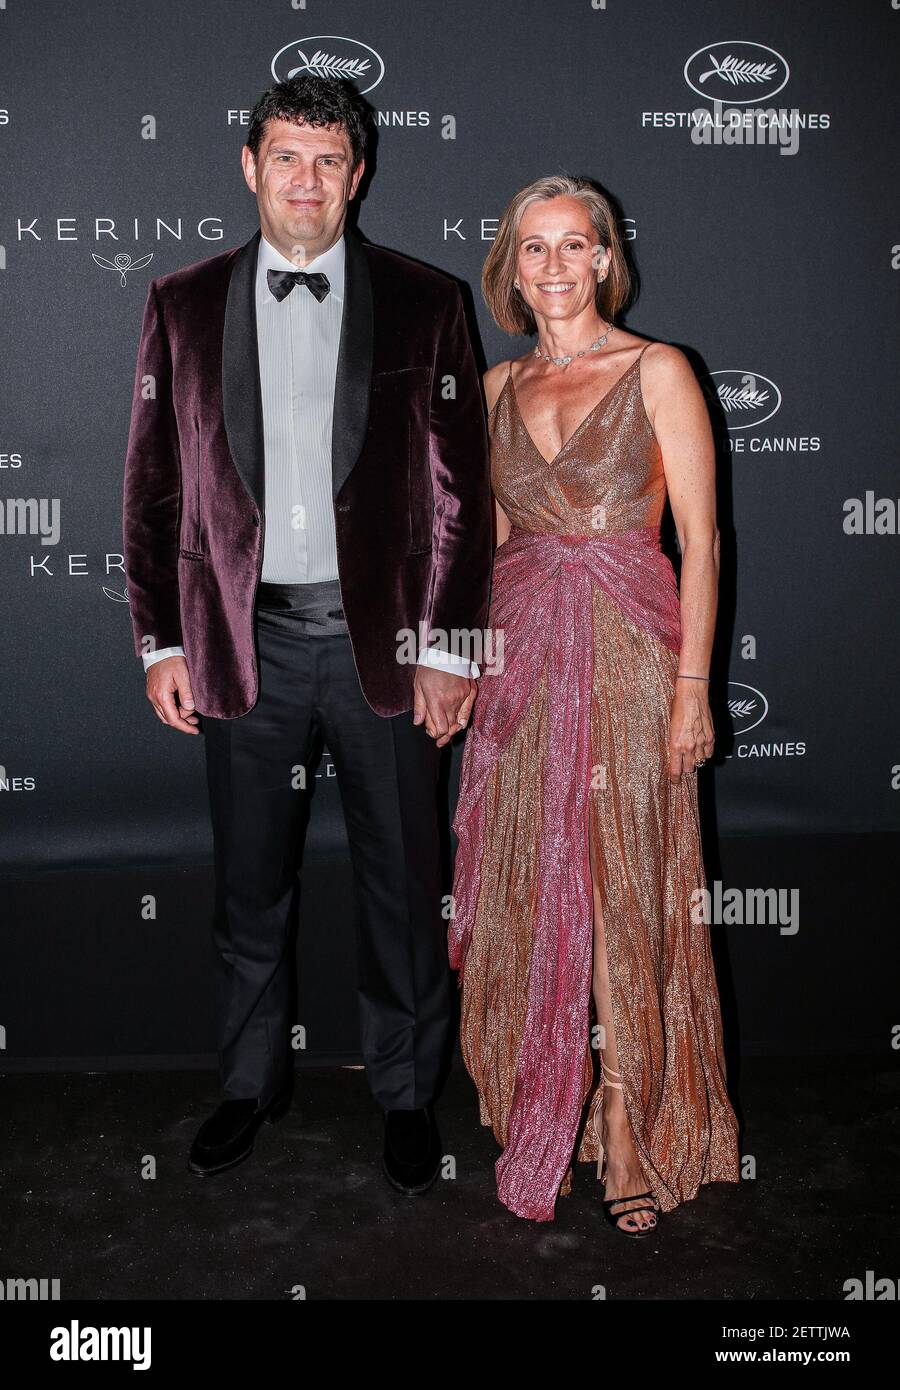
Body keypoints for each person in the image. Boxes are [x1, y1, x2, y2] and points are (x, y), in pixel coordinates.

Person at [122, 75, 492, 1192]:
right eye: (286, 156)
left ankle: (405, 1096)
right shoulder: (181, 303)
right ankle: (246, 1085)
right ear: (249, 167)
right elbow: (152, 489)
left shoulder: (426, 302)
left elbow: (465, 496)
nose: (306, 179)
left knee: (400, 886)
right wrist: (159, 640)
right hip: (245, 646)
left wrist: (448, 647)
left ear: (358, 175)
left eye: (329, 161)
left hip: (381, 651)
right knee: (249, 888)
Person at [449, 175, 740, 1235]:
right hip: (522, 658)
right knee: (537, 879)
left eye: (577, 246)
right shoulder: (489, 390)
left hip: (628, 651)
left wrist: (692, 688)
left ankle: (624, 1112)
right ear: (511, 268)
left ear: (606, 259)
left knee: (621, 881)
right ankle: (548, 1096)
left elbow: (701, 541)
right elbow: (487, 551)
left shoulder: (657, 369)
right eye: (537, 249)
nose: (558, 267)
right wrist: (471, 668)